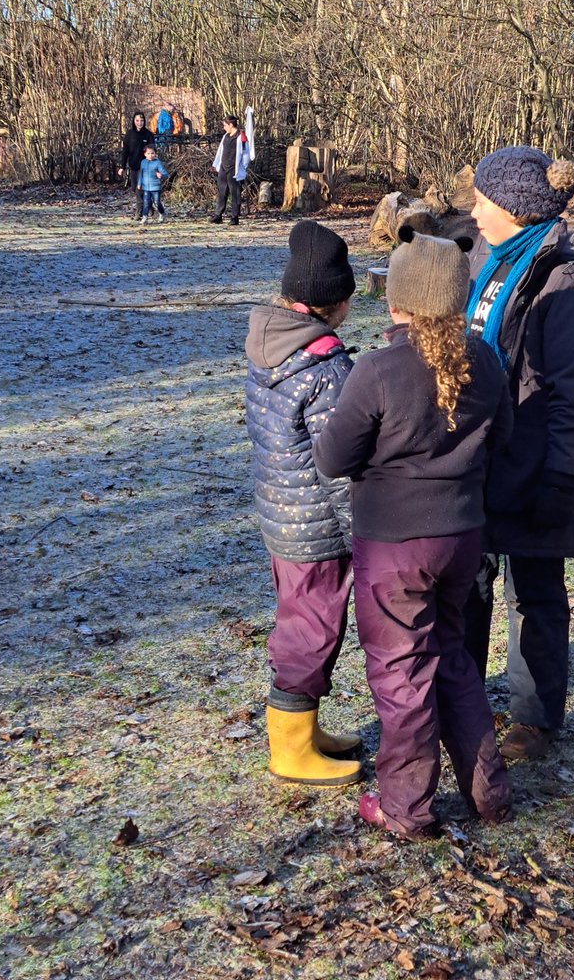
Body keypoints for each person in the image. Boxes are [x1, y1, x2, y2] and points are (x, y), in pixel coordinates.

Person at [314, 227, 513, 839]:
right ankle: (490, 793)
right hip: (462, 539)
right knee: (452, 660)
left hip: (393, 548)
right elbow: (501, 443)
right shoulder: (484, 359)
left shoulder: (375, 370)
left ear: (396, 303)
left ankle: (406, 805)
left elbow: (331, 458)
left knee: (403, 677)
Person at [462, 146, 574, 762]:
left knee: (534, 590)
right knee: (468, 583)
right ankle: (465, 700)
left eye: (481, 200)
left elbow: (571, 395)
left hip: (537, 459)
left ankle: (535, 717)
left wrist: (558, 481)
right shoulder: (488, 261)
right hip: (483, 455)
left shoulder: (570, 281)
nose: (472, 211)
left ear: (513, 208)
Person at [245, 220, 360, 786]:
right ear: (336, 303)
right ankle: (289, 748)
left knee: (301, 620)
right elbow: (339, 468)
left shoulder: (269, 347)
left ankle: (304, 728)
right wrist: (363, 533)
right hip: (315, 529)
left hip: (281, 518)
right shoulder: (327, 370)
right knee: (312, 630)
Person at [211, 116, 250, 225]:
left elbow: (246, 154)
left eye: (225, 125)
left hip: (234, 169)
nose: (224, 128)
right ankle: (218, 215)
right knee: (222, 192)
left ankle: (234, 217)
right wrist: (218, 164)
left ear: (231, 125)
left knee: (235, 193)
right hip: (224, 167)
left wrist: (243, 167)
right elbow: (221, 151)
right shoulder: (225, 136)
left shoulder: (241, 137)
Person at [118, 111, 153, 220]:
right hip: (133, 165)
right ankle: (150, 204)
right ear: (134, 121)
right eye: (137, 120)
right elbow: (125, 151)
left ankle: (139, 212)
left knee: (139, 189)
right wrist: (122, 167)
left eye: (142, 120)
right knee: (134, 188)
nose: (140, 123)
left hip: (145, 166)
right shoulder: (129, 134)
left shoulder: (148, 134)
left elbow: (152, 151)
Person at [137, 144, 168, 224]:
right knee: (146, 203)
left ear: (155, 154)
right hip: (146, 187)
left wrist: (161, 175)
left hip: (155, 187)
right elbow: (141, 174)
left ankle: (162, 214)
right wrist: (139, 183)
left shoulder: (157, 163)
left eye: (152, 153)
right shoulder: (143, 162)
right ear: (145, 154)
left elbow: (165, 174)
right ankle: (145, 217)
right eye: (148, 153)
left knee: (157, 202)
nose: (150, 155)